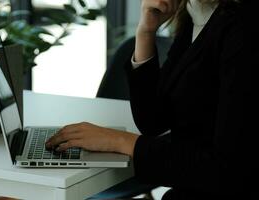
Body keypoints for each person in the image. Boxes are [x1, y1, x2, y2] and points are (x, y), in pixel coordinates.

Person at [46, 0, 258, 199]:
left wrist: (119, 141)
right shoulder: (197, 12)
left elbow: (226, 172)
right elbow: (153, 121)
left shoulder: (243, 29)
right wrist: (146, 32)